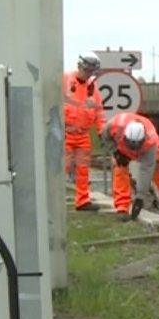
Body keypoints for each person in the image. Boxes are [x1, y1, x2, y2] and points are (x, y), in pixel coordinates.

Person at [100, 112, 159, 220]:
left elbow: (146, 172)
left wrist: (140, 197)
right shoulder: (115, 125)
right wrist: (115, 152)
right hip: (122, 149)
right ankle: (122, 208)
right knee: (120, 171)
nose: (133, 149)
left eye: (136, 146)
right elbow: (104, 137)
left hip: (145, 150)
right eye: (131, 145)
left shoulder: (151, 143)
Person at [63, 52, 106, 211]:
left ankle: (82, 200)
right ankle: (53, 200)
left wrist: (102, 131)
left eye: (91, 72)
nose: (88, 74)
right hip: (65, 133)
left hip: (82, 135)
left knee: (83, 169)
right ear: (80, 66)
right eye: (87, 70)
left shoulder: (92, 89)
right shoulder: (65, 80)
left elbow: (99, 112)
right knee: (61, 168)